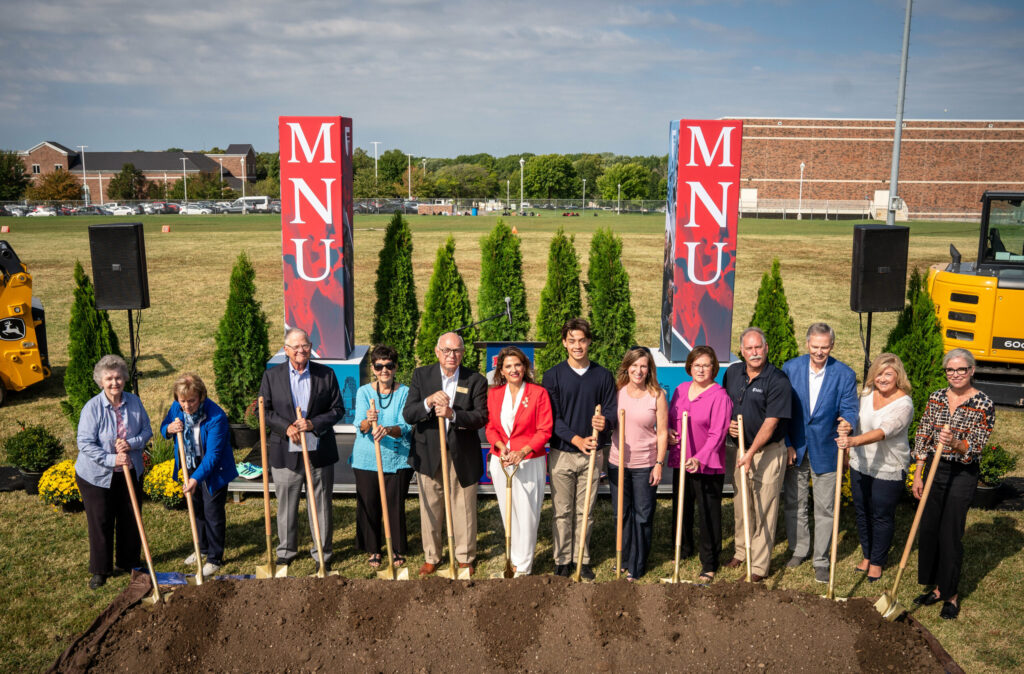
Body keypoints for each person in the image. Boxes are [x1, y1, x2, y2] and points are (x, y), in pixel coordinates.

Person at [911, 348, 995, 620]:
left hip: (962, 471)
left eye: (961, 369)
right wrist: (919, 472)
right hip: (935, 468)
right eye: (950, 369)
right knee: (930, 528)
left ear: (972, 370)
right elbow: (923, 431)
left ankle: (952, 595)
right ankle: (936, 587)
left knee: (950, 532)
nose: (955, 374)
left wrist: (956, 443)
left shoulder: (983, 403)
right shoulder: (936, 397)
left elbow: (976, 446)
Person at [259, 327, 344, 573]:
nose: (301, 350)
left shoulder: (326, 374)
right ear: (286, 350)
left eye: (305, 345)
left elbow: (337, 409)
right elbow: (263, 410)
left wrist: (313, 424)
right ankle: (286, 551)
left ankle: (322, 553)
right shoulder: (272, 377)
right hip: (285, 452)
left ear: (310, 348)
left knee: (321, 505)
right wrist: (285, 427)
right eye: (295, 347)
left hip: (319, 451)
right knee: (286, 504)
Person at [403, 332, 488, 577]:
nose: (452, 355)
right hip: (428, 453)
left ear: (463, 353)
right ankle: (432, 556)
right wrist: (428, 402)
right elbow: (409, 414)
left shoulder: (475, 380)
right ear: (437, 352)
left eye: (457, 351)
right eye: (447, 350)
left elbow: (480, 417)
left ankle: (464, 557)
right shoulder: (422, 375)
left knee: (463, 506)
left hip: (462, 454)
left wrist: (452, 415)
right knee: (431, 506)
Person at [781, 323, 859, 582]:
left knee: (825, 507)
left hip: (826, 448)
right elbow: (783, 412)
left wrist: (848, 422)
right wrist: (788, 443)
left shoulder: (844, 374)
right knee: (795, 502)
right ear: (807, 345)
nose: (819, 352)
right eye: (815, 347)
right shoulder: (790, 369)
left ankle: (821, 559)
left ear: (832, 346)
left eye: (824, 347)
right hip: (797, 447)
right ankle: (799, 549)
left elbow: (849, 408)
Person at [543, 318, 617, 579]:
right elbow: (552, 418)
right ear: (564, 343)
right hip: (562, 453)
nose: (577, 345)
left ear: (589, 342)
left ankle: (581, 558)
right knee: (562, 511)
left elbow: (611, 411)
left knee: (586, 510)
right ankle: (562, 559)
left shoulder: (603, 375)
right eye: (572, 340)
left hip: (592, 456)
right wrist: (576, 440)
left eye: (582, 340)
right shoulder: (552, 375)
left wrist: (605, 422)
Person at [75, 355, 153, 590]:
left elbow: (147, 431)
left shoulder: (134, 402)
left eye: (118, 377)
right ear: (100, 381)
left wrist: (131, 443)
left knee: (130, 517)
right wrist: (111, 458)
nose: (114, 383)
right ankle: (101, 569)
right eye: (109, 378)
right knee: (101, 520)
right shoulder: (92, 408)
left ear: (125, 379)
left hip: (130, 470)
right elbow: (85, 443)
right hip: (97, 476)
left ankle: (129, 561)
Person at [836, 353, 913, 582]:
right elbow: (857, 422)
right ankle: (867, 555)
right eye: (878, 373)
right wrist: (847, 429)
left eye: (888, 374)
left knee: (881, 516)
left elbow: (882, 433)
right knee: (862, 512)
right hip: (862, 463)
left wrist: (852, 442)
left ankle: (878, 562)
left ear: (898, 376)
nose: (882, 378)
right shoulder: (867, 394)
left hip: (888, 468)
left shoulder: (903, 404)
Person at [723, 327, 792, 581]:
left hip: (766, 452)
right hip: (740, 449)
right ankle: (742, 551)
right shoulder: (732, 373)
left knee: (764, 508)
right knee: (742, 504)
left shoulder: (778, 380)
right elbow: (727, 404)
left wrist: (751, 452)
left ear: (766, 349)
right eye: (749, 348)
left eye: (758, 348)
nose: (754, 353)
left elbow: (771, 422)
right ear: (741, 351)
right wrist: (728, 425)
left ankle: (759, 567)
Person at [160, 372, 239, 577]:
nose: (186, 406)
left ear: (202, 396)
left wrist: (196, 478)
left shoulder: (216, 417)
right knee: (197, 510)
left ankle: (214, 557)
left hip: (213, 470)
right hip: (189, 466)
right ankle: (201, 548)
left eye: (192, 401)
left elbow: (213, 456)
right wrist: (168, 429)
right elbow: (163, 427)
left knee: (213, 512)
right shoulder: (176, 408)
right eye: (183, 401)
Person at [484, 346, 553, 576]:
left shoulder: (538, 393)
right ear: (501, 371)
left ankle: (523, 567)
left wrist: (522, 451)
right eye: (508, 366)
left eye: (518, 365)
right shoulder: (494, 394)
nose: (514, 370)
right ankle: (513, 560)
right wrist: (502, 447)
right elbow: (491, 428)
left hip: (529, 460)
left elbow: (545, 430)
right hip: (502, 461)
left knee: (527, 514)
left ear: (525, 367)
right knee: (508, 511)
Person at [668, 345, 733, 584]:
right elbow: (669, 419)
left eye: (706, 365)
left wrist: (700, 457)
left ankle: (709, 561)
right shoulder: (681, 390)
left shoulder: (720, 396)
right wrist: (669, 432)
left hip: (706, 465)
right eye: (697, 365)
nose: (701, 369)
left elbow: (717, 434)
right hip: (681, 460)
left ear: (714, 368)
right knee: (681, 507)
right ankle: (682, 548)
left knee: (708, 514)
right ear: (689, 367)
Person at [352, 345, 414, 570]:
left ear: (395, 367)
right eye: (379, 366)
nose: (384, 370)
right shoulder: (364, 392)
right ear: (373, 368)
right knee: (369, 503)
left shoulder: (405, 392)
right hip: (366, 459)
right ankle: (374, 549)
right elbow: (360, 425)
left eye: (389, 365)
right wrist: (369, 422)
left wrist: (386, 429)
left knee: (394, 504)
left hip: (396, 459)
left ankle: (395, 548)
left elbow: (406, 425)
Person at [609, 347, 668, 581]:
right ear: (627, 366)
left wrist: (659, 463)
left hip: (645, 464)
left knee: (642, 515)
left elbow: (662, 432)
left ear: (649, 369)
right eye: (634, 365)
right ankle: (622, 558)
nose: (638, 370)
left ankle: (638, 563)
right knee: (621, 513)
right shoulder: (616, 392)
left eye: (643, 366)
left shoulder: (657, 395)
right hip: (618, 463)